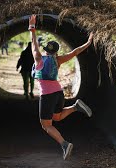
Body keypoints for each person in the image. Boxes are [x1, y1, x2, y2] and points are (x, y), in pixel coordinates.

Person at [28, 14, 93, 160]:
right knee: (57, 117)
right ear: (56, 51)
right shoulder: (58, 60)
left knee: (46, 125)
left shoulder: (38, 59)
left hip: (47, 95)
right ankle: (75, 107)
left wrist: (32, 28)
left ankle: (64, 144)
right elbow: (75, 52)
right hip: (58, 92)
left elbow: (33, 44)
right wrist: (88, 43)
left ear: (45, 50)